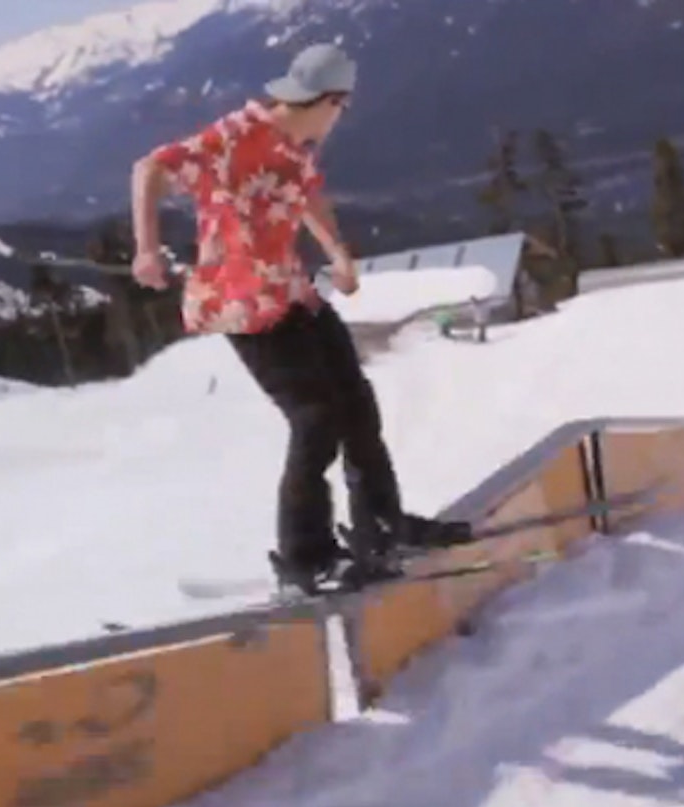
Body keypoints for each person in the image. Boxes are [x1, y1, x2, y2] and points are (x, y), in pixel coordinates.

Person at [129, 43, 471, 593]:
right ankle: (304, 556)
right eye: (344, 107)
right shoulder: (237, 134)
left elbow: (308, 195)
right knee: (314, 421)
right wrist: (146, 249)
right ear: (330, 99)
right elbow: (150, 167)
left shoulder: (297, 146)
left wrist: (337, 253)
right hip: (242, 302)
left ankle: (381, 526)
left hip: (291, 292)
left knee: (355, 403)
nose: (342, 118)